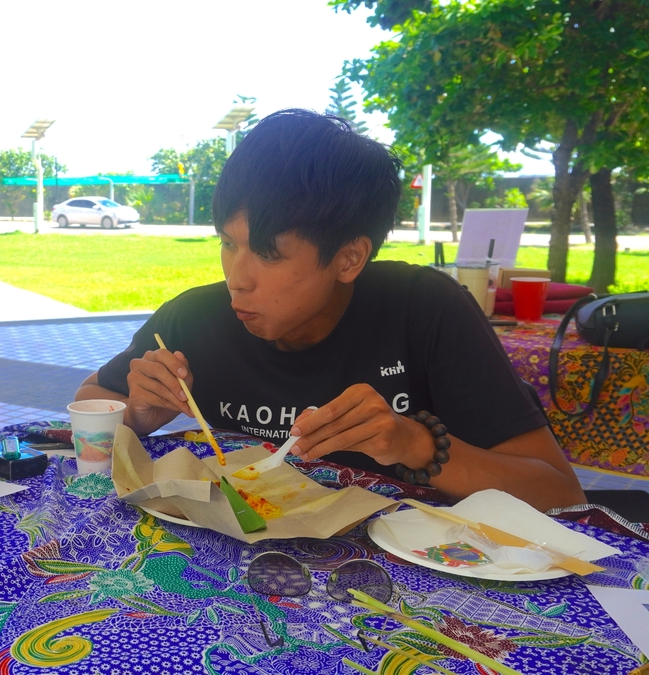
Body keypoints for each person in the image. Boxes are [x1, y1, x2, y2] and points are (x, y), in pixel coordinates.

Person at [76, 109, 584, 511]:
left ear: (349, 258)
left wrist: (415, 446)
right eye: (228, 243)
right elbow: (91, 399)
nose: (238, 278)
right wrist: (137, 417)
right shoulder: (196, 319)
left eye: (270, 254)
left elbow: (560, 494)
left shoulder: (425, 311)